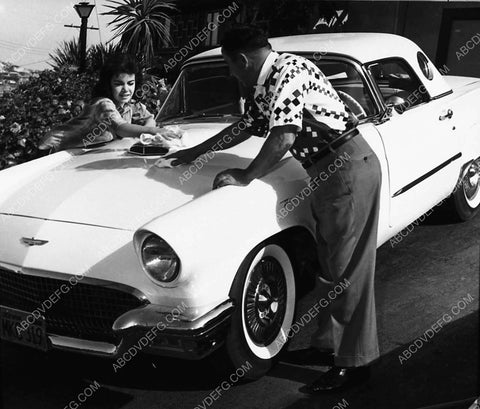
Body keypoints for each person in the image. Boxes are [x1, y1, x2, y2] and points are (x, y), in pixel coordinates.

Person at [167, 24, 382, 393]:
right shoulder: (268, 81)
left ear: (243, 59)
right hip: (329, 171)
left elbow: (283, 135)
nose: (232, 74)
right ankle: (328, 346)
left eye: (230, 67)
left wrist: (246, 176)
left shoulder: (288, 72)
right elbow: (246, 126)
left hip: (346, 167)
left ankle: (354, 364)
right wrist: (195, 153)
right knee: (331, 266)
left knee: (349, 270)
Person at [39, 54, 164, 151]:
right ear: (108, 85)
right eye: (118, 84)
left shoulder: (130, 105)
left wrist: (148, 132)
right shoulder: (103, 104)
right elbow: (120, 128)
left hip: (84, 151)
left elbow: (149, 118)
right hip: (55, 150)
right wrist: (152, 131)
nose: (126, 89)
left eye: (130, 83)